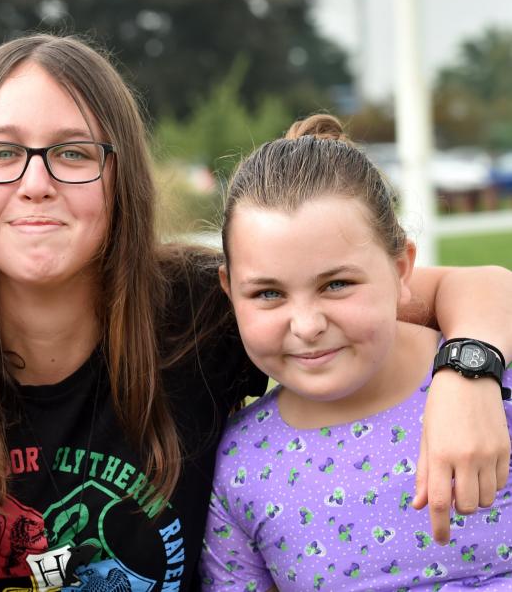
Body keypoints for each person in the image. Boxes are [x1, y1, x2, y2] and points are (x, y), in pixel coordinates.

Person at [0, 35, 512, 589]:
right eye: (1, 152)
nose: (36, 183)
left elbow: (474, 286)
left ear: (122, 176)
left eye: (74, 153)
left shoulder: (200, 309)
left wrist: (469, 377)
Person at [199, 114, 512, 591]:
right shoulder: (238, 466)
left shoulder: (493, 385)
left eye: (337, 284)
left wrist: (469, 379)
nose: (306, 326)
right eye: (267, 293)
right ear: (229, 289)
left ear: (402, 268)